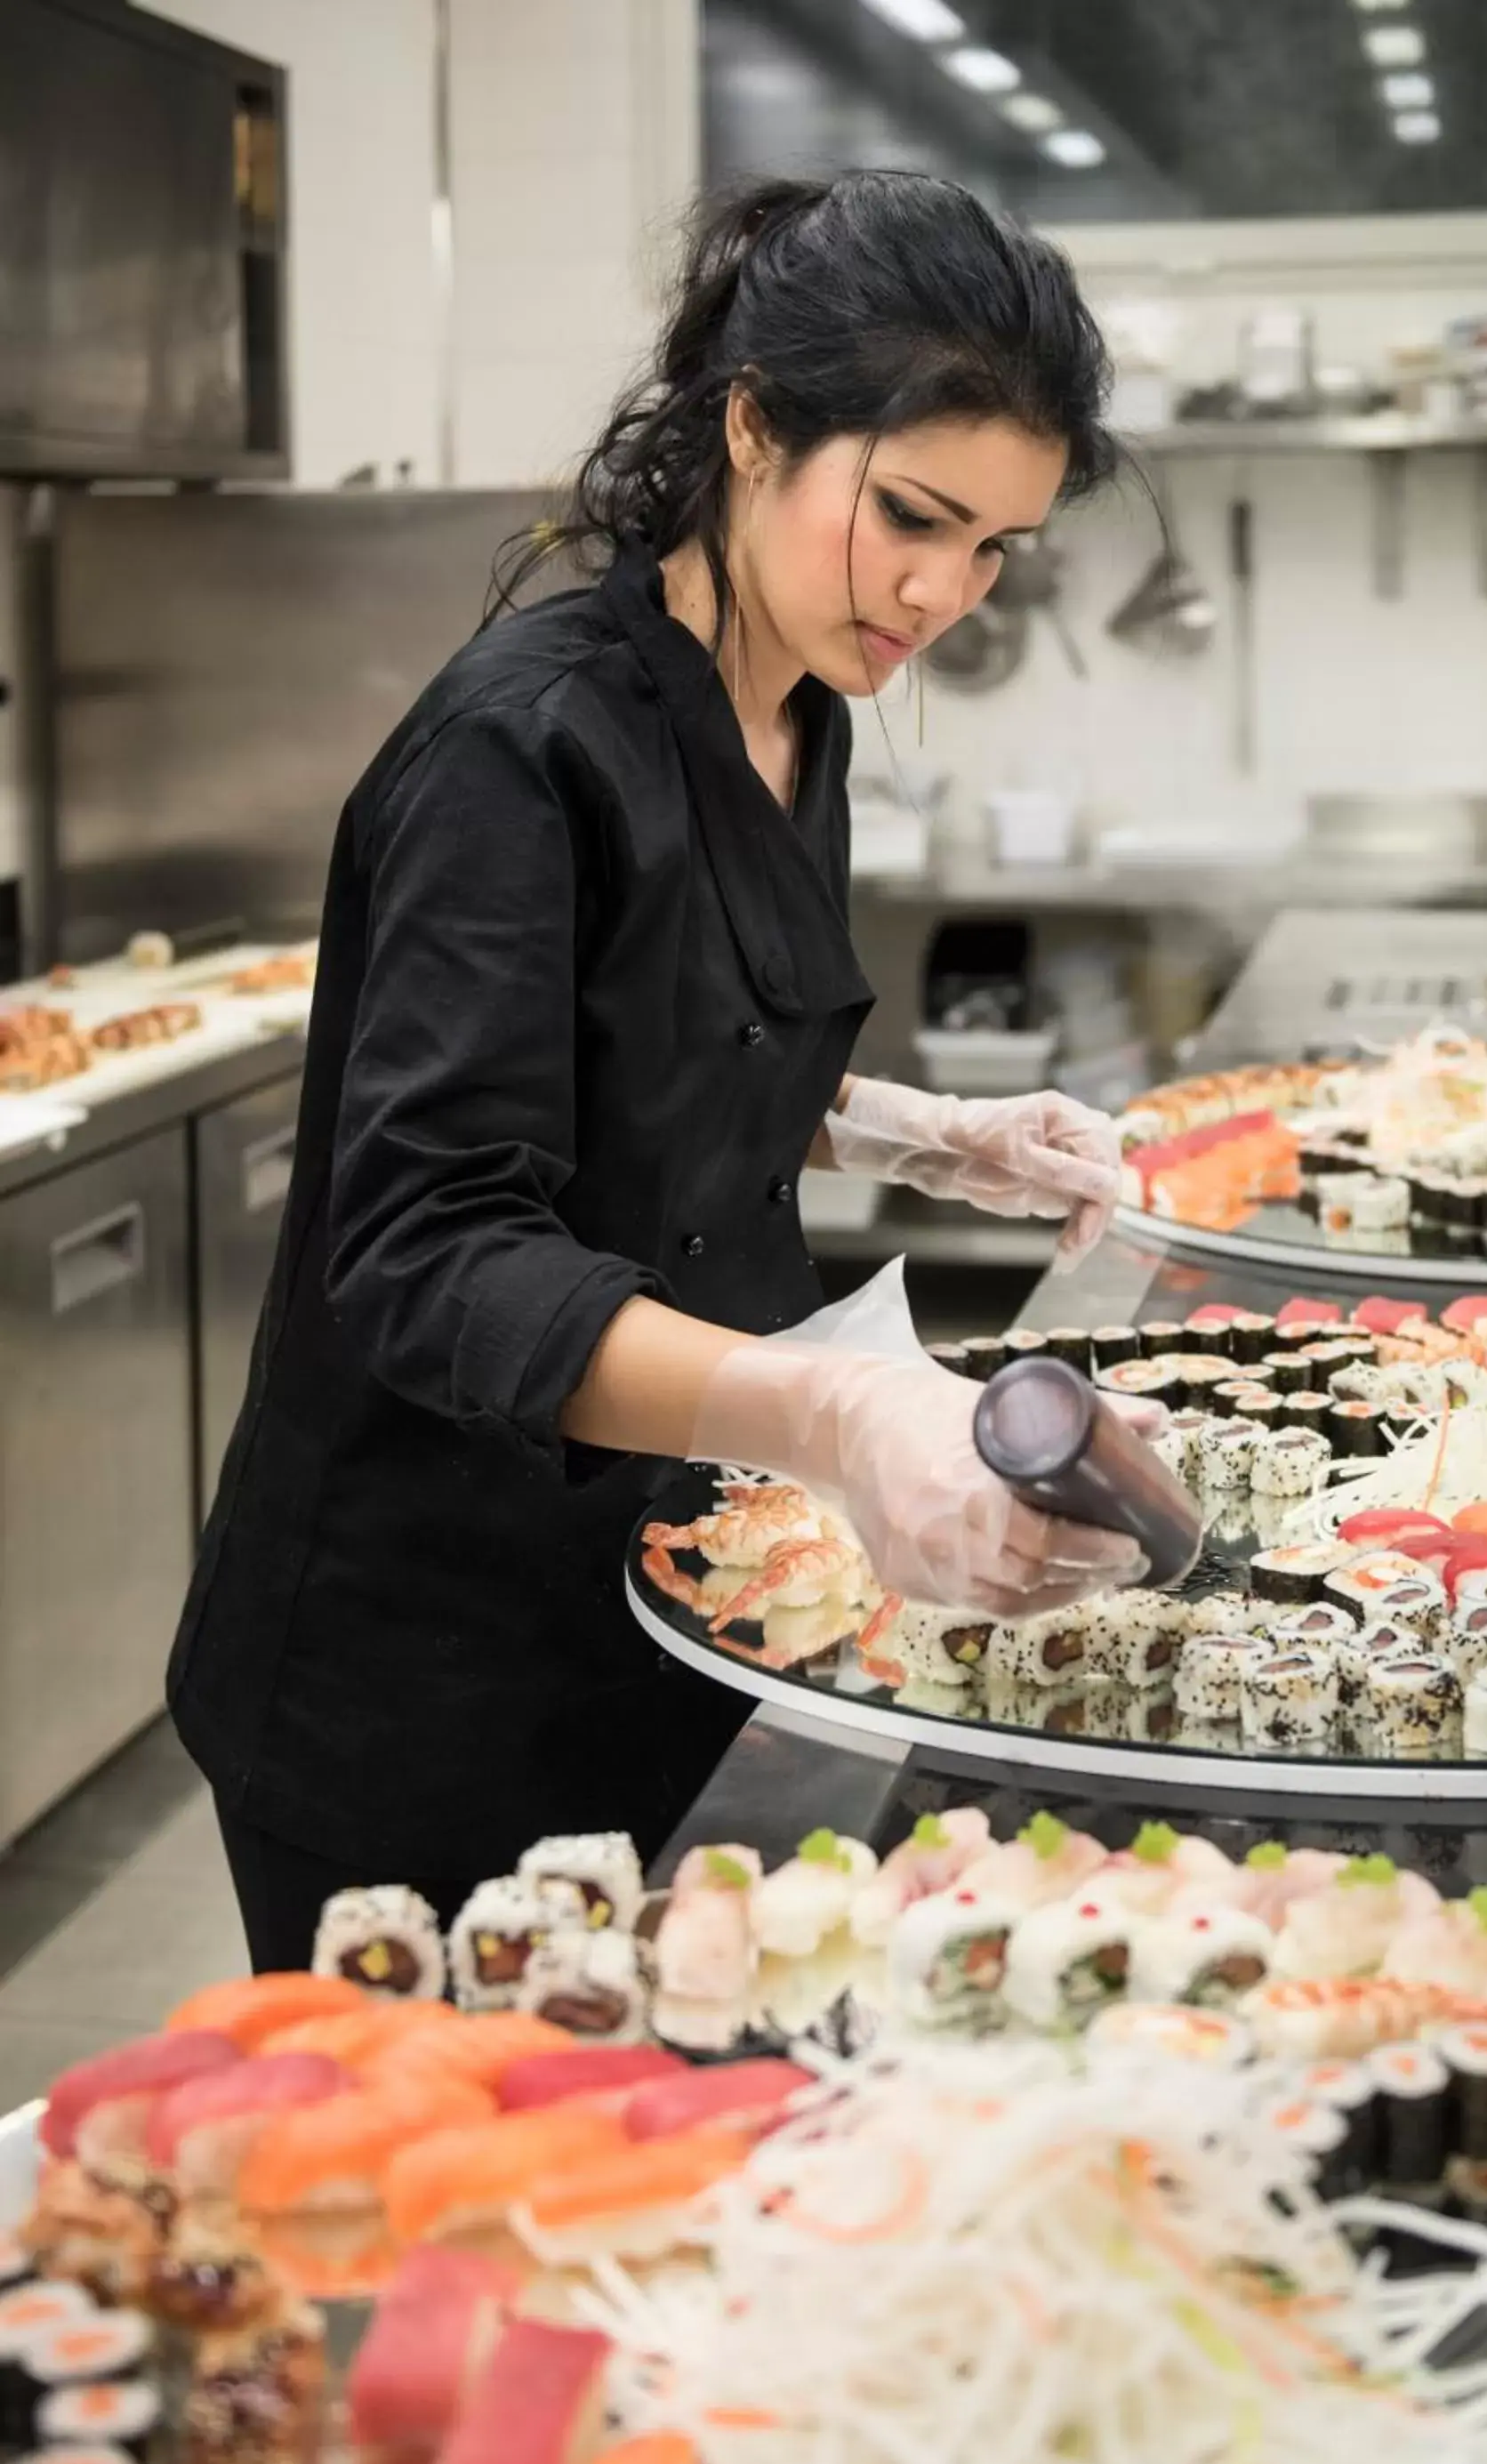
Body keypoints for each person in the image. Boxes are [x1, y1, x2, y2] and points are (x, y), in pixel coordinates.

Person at [169, 169, 1147, 1972]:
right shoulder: (518, 747)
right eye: (914, 519)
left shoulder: (798, 705)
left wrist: (921, 1129)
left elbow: (650, 1031)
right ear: (754, 427)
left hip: (664, 1594)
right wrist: (845, 1414)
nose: (944, 596)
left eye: (994, 551)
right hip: (421, 1667)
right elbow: (434, 1251)